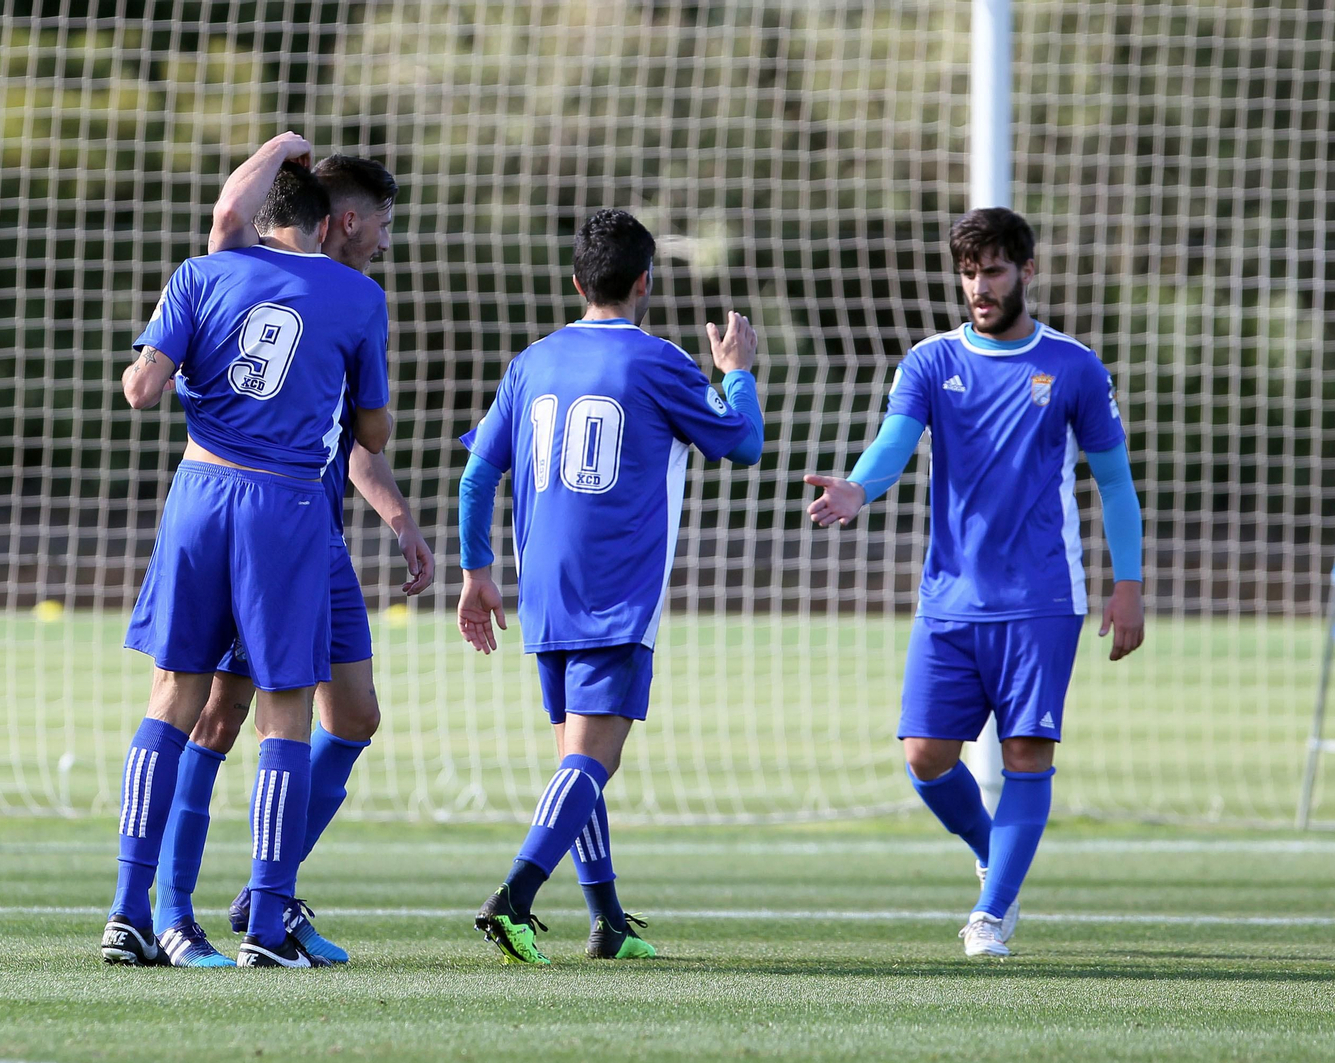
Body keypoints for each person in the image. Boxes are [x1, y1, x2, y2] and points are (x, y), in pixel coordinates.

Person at [805, 206, 1145, 957]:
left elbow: (1116, 484)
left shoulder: (1074, 368)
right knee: (925, 754)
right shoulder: (930, 362)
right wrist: (859, 489)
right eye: (968, 273)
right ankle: (1000, 862)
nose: (979, 287)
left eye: (992, 271)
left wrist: (1130, 584)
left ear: (1028, 271)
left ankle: (989, 915)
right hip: (950, 599)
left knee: (1027, 753)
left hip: (1042, 600)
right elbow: (893, 445)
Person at [148, 135, 434, 968]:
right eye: (381, 224)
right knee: (219, 711)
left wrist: (400, 521)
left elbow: (355, 442)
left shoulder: (349, 298)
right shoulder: (261, 272)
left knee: (354, 714)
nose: (385, 240)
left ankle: (262, 892)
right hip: (260, 521)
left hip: (318, 533)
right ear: (344, 219)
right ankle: (171, 911)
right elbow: (228, 219)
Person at [456, 209, 765, 964]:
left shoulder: (531, 361)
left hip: (544, 588)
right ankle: (515, 895)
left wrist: (476, 572)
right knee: (594, 759)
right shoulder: (657, 361)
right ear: (644, 283)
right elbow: (743, 443)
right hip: (617, 588)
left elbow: (476, 475)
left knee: (575, 756)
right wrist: (738, 372)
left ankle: (609, 921)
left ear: (575, 281)